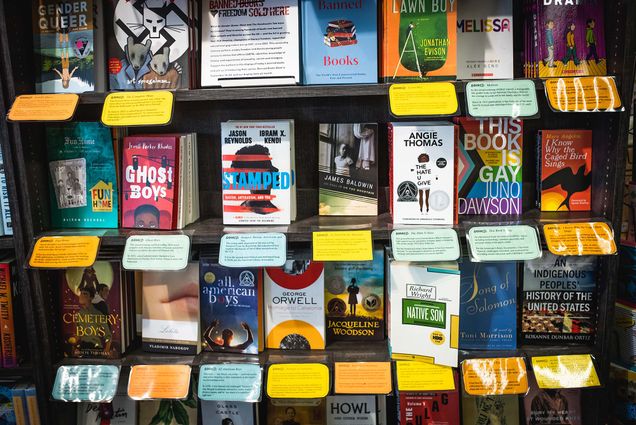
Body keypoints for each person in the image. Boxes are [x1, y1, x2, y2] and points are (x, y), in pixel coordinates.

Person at [76, 286, 112, 357]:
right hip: (82, 349)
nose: (81, 296)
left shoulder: (98, 314)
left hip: (96, 349)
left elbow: (108, 336)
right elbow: (78, 334)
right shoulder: (79, 314)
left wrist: (106, 350)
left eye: (85, 294)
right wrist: (74, 347)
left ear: (91, 298)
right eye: (81, 293)